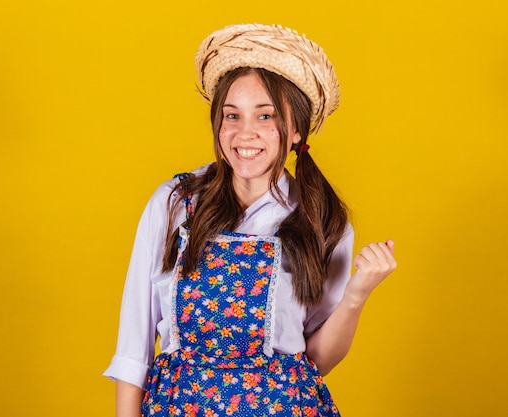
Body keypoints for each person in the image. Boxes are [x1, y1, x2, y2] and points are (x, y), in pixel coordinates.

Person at [103, 23, 396, 416]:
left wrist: (357, 294)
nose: (245, 133)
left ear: (295, 130)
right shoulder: (175, 203)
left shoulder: (323, 220)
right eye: (232, 115)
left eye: (265, 116)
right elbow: (133, 347)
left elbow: (318, 360)